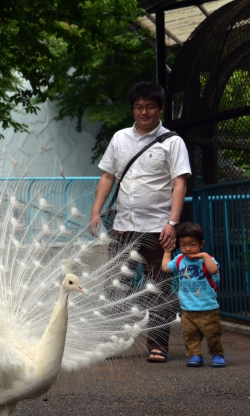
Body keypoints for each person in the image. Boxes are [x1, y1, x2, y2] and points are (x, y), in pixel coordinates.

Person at [90, 81, 191, 363]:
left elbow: (179, 183)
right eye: (138, 107)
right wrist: (96, 211)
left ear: (160, 108)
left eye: (149, 107)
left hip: (159, 227)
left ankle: (157, 345)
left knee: (159, 285)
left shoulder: (173, 142)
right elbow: (107, 176)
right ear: (132, 109)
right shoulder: (120, 138)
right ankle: (109, 342)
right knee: (116, 285)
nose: (143, 112)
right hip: (124, 225)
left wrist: (172, 222)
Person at [161, 222, 226, 367]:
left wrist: (203, 255)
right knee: (190, 335)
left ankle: (217, 354)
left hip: (207, 308)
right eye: (183, 245)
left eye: (192, 244)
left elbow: (213, 270)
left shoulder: (207, 260)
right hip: (187, 309)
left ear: (201, 243)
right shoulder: (179, 260)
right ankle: (195, 355)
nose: (188, 249)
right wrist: (167, 251)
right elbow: (165, 268)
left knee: (213, 334)